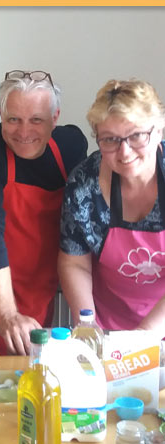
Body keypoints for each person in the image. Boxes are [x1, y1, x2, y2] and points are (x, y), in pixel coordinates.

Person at [0, 70, 87, 355]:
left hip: (40, 277)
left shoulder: (72, 146)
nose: (24, 132)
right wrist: (7, 315)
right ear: (0, 114)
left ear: (55, 117)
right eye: (13, 119)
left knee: (35, 358)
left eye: (36, 120)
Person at [59, 79, 165, 334]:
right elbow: (75, 264)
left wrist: (144, 336)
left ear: (159, 131)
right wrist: (88, 328)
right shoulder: (84, 185)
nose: (124, 152)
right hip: (107, 327)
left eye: (137, 135)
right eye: (110, 139)